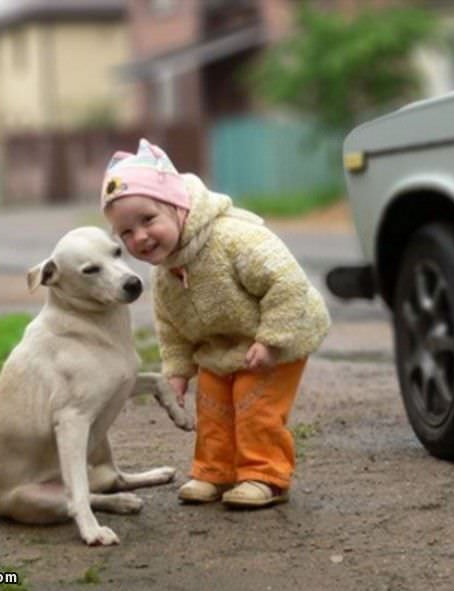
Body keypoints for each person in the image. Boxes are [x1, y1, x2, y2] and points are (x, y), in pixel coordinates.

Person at [102, 138, 330, 508]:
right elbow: (171, 326)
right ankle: (215, 472)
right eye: (126, 232)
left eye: (148, 220)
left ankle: (264, 475)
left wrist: (272, 340)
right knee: (213, 403)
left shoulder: (233, 239)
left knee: (254, 403)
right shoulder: (165, 274)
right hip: (222, 347)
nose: (140, 237)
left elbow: (288, 282)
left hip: (278, 332)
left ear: (178, 206)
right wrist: (176, 371)